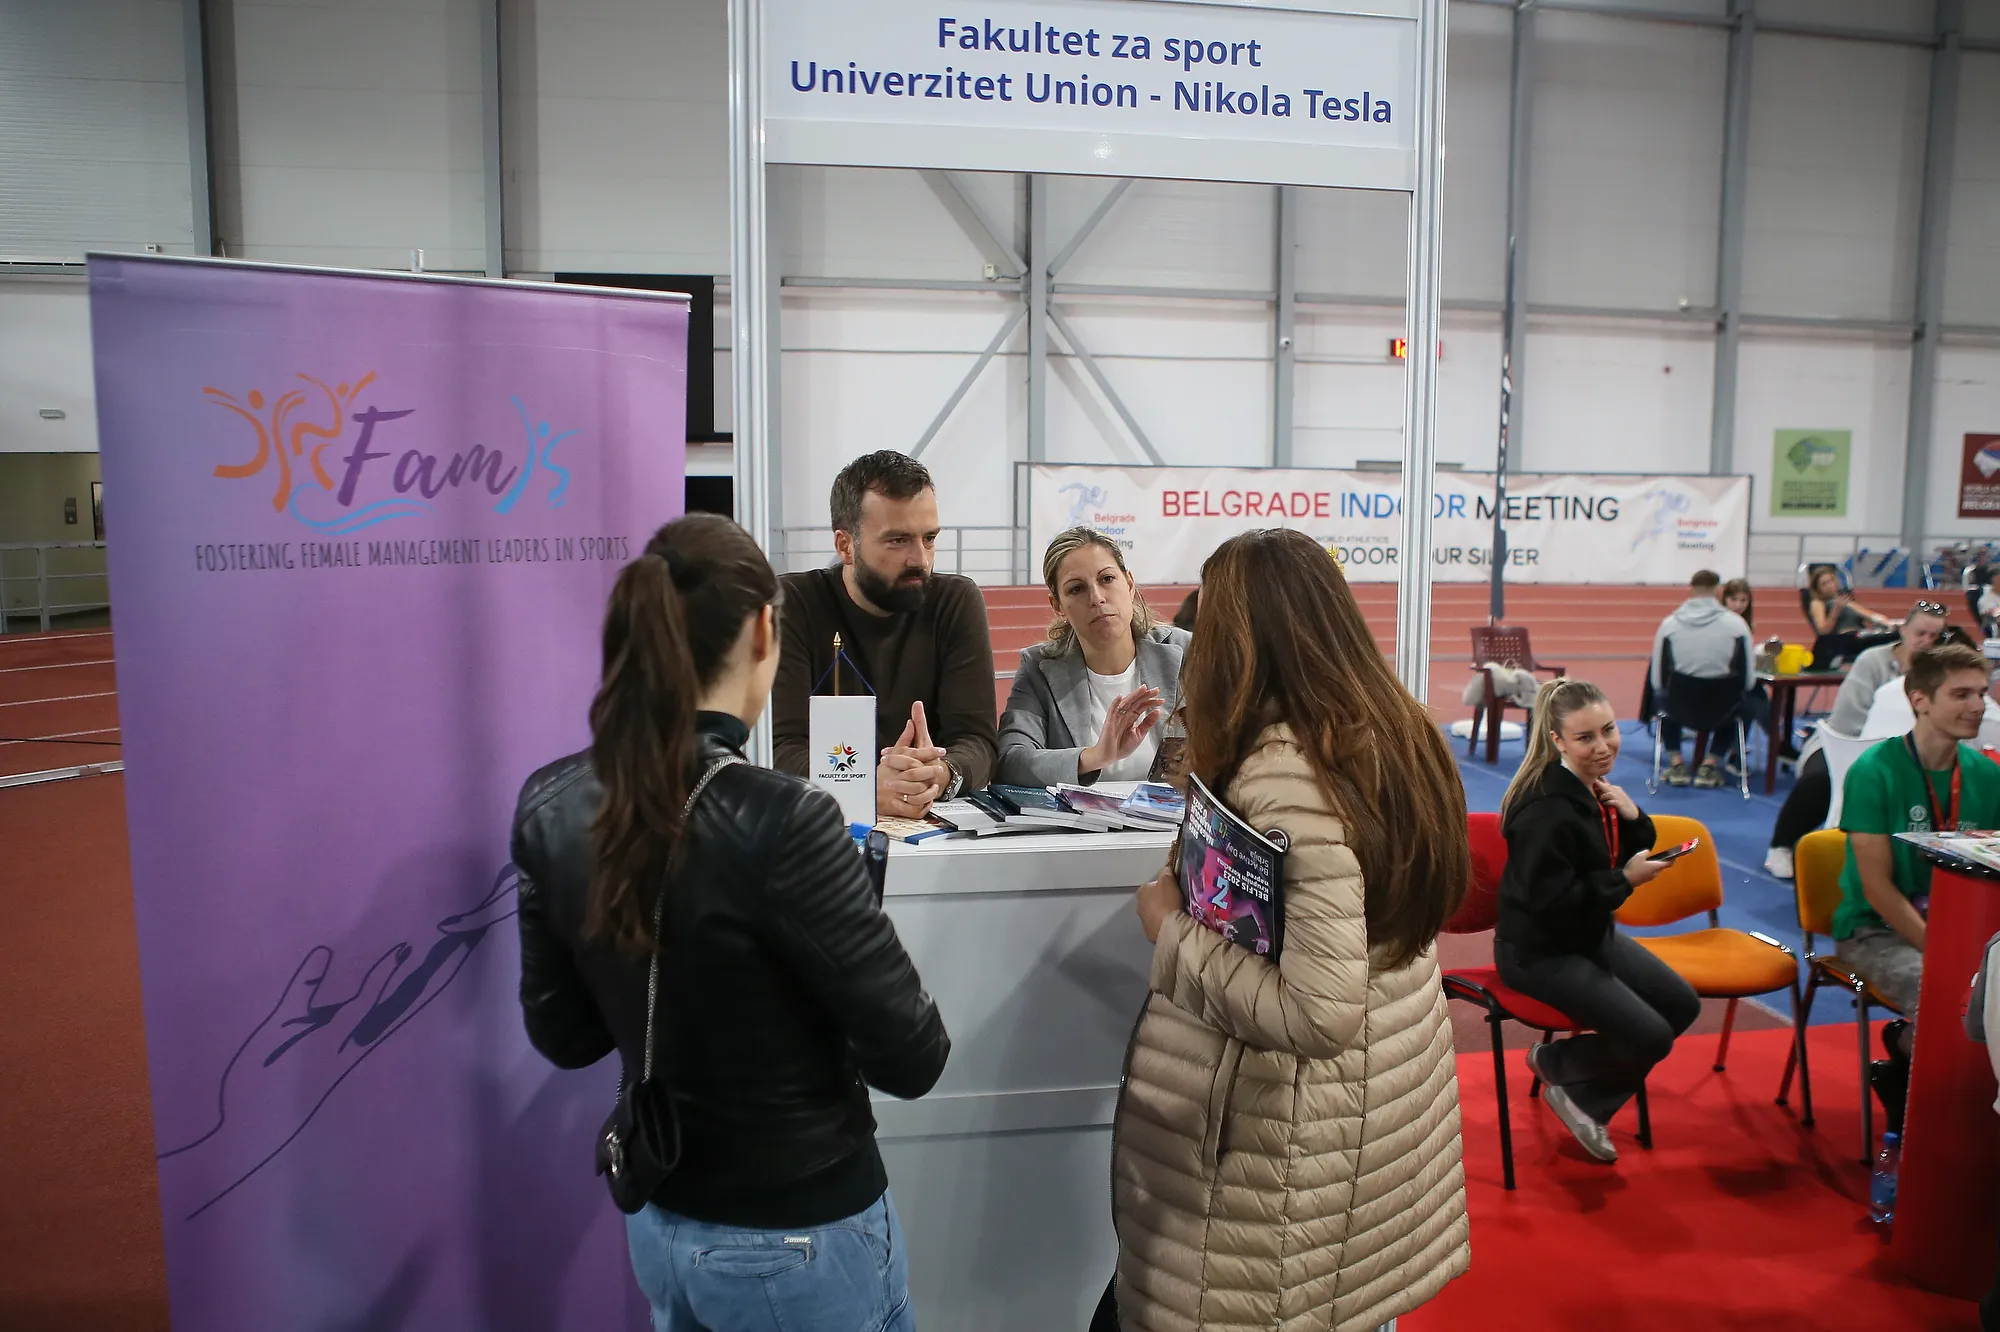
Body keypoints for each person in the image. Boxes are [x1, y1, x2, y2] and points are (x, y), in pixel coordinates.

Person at [511, 515, 951, 1332]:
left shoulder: (550, 801)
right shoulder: (787, 819)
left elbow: (566, 1035)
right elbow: (914, 1053)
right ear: (761, 632)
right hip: (799, 1234)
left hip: (662, 1219)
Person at [1109, 528, 1470, 1332]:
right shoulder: (1394, 732)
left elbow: (1318, 1011)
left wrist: (1170, 930)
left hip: (1286, 1156)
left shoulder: (1288, 774)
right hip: (1358, 1137)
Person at [1496, 679, 1701, 1164]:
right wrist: (1624, 882)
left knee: (1681, 1006)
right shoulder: (1546, 810)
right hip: (1539, 952)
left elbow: (1621, 854)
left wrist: (1632, 816)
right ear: (1558, 740)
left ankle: (1561, 1067)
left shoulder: (1592, 790)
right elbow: (1551, 905)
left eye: (1608, 730)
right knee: (1651, 1035)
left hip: (1589, 936)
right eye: (1586, 737)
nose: (1603, 745)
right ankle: (1582, 1095)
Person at [772, 451, 999, 818]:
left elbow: (978, 741)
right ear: (845, 546)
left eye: (929, 538)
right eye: (897, 541)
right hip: (823, 823)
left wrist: (940, 773)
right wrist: (860, 785)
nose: (920, 560)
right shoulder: (794, 604)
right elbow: (780, 747)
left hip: (931, 825)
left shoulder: (955, 602)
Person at [1833, 641, 2000, 1133]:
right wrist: (1947, 952)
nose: (1978, 705)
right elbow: (1877, 888)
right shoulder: (1874, 771)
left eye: (1983, 693)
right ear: (1919, 700)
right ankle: (1924, 1106)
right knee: (1946, 995)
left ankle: (1921, 1071)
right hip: (1877, 931)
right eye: (1961, 694)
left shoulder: (1987, 775)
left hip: (1967, 934)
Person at [1762, 600, 1947, 879]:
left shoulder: (1941, 671)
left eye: (1935, 636)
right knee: (1822, 779)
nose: (1927, 642)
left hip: (1912, 754)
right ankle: (1781, 845)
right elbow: (1848, 720)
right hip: (1847, 742)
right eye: (1921, 633)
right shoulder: (1872, 661)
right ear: (1903, 630)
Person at [997, 528, 1189, 787]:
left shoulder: (1187, 651)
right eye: (1077, 589)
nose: (1096, 598)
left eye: (1107, 579)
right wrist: (1094, 757)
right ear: (1057, 605)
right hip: (1080, 815)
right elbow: (1010, 762)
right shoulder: (1038, 669)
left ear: (1129, 584)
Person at [1649, 569, 1754, 788]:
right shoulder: (1737, 626)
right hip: (1722, 710)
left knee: (1661, 698)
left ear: (1691, 590)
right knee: (1741, 705)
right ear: (1718, 591)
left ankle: (1677, 763)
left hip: (1678, 708)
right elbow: (1748, 681)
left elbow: (1657, 680)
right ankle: (1710, 764)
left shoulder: (1668, 626)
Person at [1807, 563, 1895, 637]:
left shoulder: (1844, 600)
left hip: (1860, 635)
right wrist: (1835, 611)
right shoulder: (1818, 603)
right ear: (1818, 588)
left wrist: (1881, 620)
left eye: (1831, 580)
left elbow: (1868, 614)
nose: (1830, 585)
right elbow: (1823, 631)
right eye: (1824, 584)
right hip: (1842, 640)